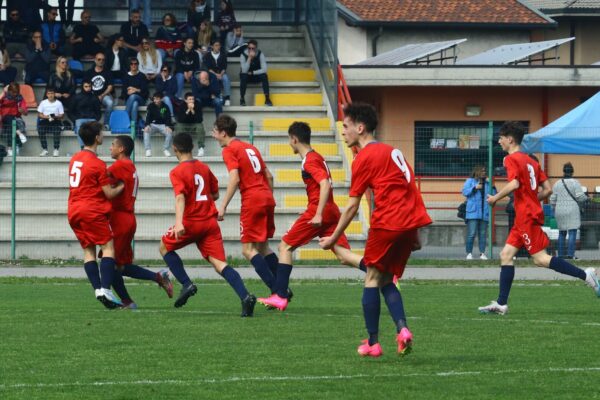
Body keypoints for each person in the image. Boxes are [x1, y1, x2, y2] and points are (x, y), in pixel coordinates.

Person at [319, 103, 432, 358]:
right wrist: (414, 233)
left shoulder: (364, 158)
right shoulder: (394, 151)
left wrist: (333, 238)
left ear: (360, 128)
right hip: (408, 221)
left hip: (388, 221)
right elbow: (410, 189)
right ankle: (402, 330)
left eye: (346, 127)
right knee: (385, 277)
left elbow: (351, 207)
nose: (343, 132)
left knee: (371, 278)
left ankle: (372, 342)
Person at [479, 122, 600, 315]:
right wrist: (531, 200)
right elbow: (548, 189)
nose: (499, 141)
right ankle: (501, 304)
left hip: (526, 216)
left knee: (541, 259)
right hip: (525, 216)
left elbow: (514, 183)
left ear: (510, 139)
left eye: (501, 138)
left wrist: (495, 198)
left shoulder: (510, 159)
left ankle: (586, 275)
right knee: (506, 255)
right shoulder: (532, 162)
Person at [258, 122, 364, 311]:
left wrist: (316, 213)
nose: (289, 144)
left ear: (294, 139)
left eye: (289, 141)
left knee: (285, 246)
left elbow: (324, 184)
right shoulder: (317, 156)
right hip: (330, 211)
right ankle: (382, 272)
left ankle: (280, 295)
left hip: (320, 212)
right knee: (343, 256)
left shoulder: (309, 160)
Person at [159, 132, 258, 316]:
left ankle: (187, 284)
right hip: (210, 223)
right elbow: (215, 194)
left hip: (191, 222)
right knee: (220, 264)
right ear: (192, 147)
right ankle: (245, 297)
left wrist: (179, 223)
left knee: (164, 247)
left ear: (175, 148)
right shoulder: (204, 167)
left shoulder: (177, 171)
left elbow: (180, 198)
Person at [212, 114, 279, 293]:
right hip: (267, 197)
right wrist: (267, 196)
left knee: (248, 250)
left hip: (253, 199)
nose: (213, 135)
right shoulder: (250, 147)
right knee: (263, 247)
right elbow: (269, 176)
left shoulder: (228, 150)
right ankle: (282, 286)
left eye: (215, 132)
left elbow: (235, 177)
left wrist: (223, 205)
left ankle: (278, 290)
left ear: (224, 133)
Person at [106, 135, 174, 309]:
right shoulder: (129, 166)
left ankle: (127, 302)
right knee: (121, 266)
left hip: (120, 219)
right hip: (126, 217)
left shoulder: (120, 166)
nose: (110, 148)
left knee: (110, 263)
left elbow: (103, 180)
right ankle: (158, 277)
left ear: (121, 149)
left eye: (113, 145)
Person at [67, 121, 124, 309]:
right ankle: (106, 289)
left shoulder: (75, 159)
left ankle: (98, 289)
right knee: (108, 248)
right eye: (101, 133)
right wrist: (122, 186)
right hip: (91, 210)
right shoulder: (98, 164)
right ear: (97, 137)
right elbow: (108, 193)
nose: (103, 135)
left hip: (74, 210)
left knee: (88, 251)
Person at [550, 162, 587, 259]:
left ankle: (561, 255)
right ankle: (571, 255)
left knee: (562, 233)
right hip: (572, 210)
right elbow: (580, 197)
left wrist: (554, 209)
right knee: (572, 232)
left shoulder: (557, 183)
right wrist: (586, 198)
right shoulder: (575, 183)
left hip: (559, 210)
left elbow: (552, 199)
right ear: (572, 172)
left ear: (563, 172)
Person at [462, 165, 495, 260]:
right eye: (482, 171)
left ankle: (482, 253)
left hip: (484, 212)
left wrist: (493, 186)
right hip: (473, 212)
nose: (484, 173)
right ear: (477, 172)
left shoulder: (488, 183)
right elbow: (464, 192)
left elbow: (494, 195)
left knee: (483, 234)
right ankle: (469, 253)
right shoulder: (470, 181)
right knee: (471, 233)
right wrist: (474, 188)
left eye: (485, 171)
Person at [84, 52, 114, 126]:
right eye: (99, 59)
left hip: (104, 95)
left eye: (103, 60)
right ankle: (91, 124)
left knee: (110, 103)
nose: (101, 61)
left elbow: (110, 87)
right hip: (91, 95)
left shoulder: (108, 72)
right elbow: (85, 86)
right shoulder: (89, 72)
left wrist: (102, 95)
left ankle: (106, 124)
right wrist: (93, 96)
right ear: (95, 60)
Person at [239, 39, 272, 106]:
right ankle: (242, 98)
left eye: (253, 48)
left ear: (256, 48)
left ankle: (267, 98)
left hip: (256, 75)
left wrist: (253, 72)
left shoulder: (260, 54)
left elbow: (264, 69)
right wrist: (249, 58)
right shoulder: (243, 55)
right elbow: (244, 70)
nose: (251, 50)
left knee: (264, 76)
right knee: (243, 76)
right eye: (249, 48)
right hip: (246, 76)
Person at [0, 83, 28, 157]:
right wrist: (3, 93)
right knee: (9, 118)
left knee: (11, 126)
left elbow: (26, 113)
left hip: (15, 119)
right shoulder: (4, 96)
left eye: (16, 92)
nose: (15, 94)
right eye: (13, 92)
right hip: (3, 117)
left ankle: (10, 148)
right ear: (9, 91)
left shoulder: (20, 98)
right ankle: (19, 135)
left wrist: (22, 110)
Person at [71, 80, 101, 148]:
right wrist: (75, 119)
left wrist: (96, 119)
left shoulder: (94, 97)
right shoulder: (76, 97)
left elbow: (98, 111)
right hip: (80, 119)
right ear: (82, 87)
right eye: (86, 86)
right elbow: (70, 111)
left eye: (89, 86)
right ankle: (83, 147)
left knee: (94, 130)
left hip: (92, 118)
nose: (88, 88)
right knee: (79, 128)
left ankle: (92, 147)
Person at [143, 91, 173, 157]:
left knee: (169, 132)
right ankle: (148, 150)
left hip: (163, 125)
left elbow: (168, 117)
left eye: (157, 99)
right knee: (146, 131)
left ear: (161, 99)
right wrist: (147, 125)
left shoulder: (166, 106)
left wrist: (168, 126)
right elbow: (147, 116)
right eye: (154, 99)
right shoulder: (150, 106)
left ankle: (166, 149)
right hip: (153, 125)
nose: (155, 100)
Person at [121, 58, 149, 127]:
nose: (133, 65)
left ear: (138, 65)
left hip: (141, 99)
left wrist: (135, 90)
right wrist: (128, 92)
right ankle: (134, 124)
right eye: (131, 64)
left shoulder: (142, 76)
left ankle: (125, 119)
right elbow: (124, 90)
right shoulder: (126, 76)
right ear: (129, 65)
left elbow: (144, 90)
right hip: (129, 100)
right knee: (134, 104)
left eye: (135, 64)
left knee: (133, 96)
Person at [176, 92, 205, 157]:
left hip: (194, 124)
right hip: (184, 124)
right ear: (185, 100)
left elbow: (199, 120)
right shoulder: (181, 106)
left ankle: (201, 148)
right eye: (190, 99)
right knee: (178, 126)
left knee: (200, 126)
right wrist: (188, 110)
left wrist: (192, 110)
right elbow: (180, 120)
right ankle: (181, 148)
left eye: (192, 99)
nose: (192, 101)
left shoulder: (198, 105)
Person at [37, 88, 64, 157]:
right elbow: (39, 114)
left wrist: (55, 116)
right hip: (45, 120)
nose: (50, 95)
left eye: (52, 93)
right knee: (41, 130)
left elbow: (62, 115)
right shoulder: (43, 102)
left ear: (54, 94)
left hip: (56, 120)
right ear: (47, 95)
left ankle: (56, 149)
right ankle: (45, 149)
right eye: (49, 93)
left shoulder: (59, 103)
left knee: (56, 130)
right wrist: (47, 117)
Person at [204, 40, 231, 106]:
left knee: (226, 78)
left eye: (219, 45)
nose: (218, 47)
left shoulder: (223, 54)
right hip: (212, 73)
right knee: (212, 78)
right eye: (216, 45)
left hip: (221, 73)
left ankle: (227, 98)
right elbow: (209, 68)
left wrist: (220, 75)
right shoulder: (208, 55)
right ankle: (216, 97)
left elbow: (224, 67)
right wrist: (216, 75)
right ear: (212, 46)